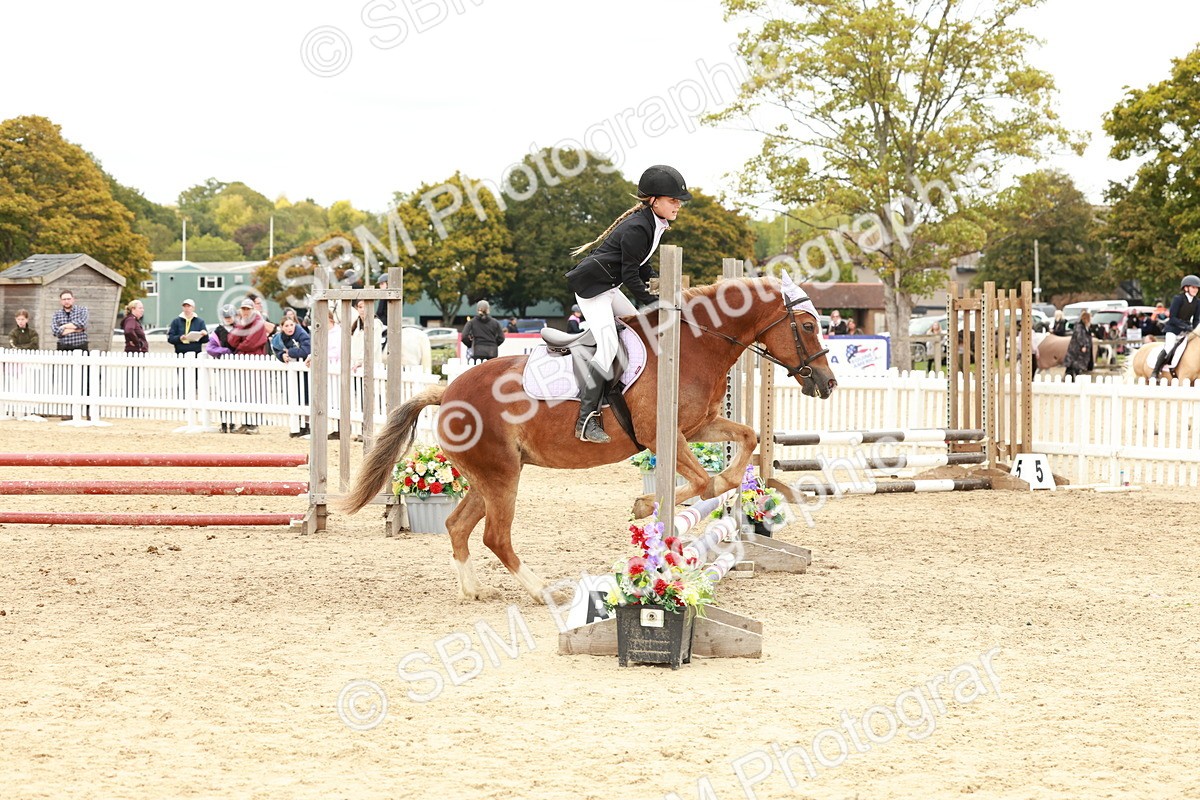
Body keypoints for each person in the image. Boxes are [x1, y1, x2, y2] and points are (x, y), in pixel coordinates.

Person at [565, 164, 691, 443]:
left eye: (678, 201)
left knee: (639, 329)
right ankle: (587, 419)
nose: (678, 206)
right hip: (593, 290)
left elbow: (643, 268)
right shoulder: (637, 227)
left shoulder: (653, 224)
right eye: (673, 200)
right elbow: (630, 274)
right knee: (608, 346)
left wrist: (662, 288)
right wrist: (653, 301)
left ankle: (628, 390)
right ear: (653, 200)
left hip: (610, 287)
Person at [226, 299, 269, 433]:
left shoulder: (258, 323)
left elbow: (251, 342)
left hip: (254, 358)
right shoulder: (242, 323)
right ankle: (246, 422)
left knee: (254, 392)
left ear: (252, 309)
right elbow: (231, 339)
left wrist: (239, 345)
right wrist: (240, 327)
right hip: (243, 359)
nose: (245, 312)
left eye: (248, 309)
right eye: (243, 309)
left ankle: (253, 423)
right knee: (243, 392)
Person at [1153, 275, 1200, 379]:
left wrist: (1195, 330)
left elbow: (1196, 319)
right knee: (1169, 346)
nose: (1195, 290)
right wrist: (1185, 326)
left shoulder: (1197, 302)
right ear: (1186, 288)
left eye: (1197, 288)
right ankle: (1155, 371)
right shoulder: (1178, 299)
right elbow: (1172, 317)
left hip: (1187, 330)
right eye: (1193, 287)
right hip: (1173, 329)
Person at [205, 304, 239, 432]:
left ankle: (233, 423)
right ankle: (224, 423)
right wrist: (224, 351)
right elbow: (210, 348)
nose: (228, 319)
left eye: (230, 316)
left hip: (237, 368)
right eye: (226, 317)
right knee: (223, 396)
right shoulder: (218, 331)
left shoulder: (239, 329)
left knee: (235, 396)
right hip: (223, 368)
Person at [1063, 310, 1094, 379]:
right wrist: (1083, 345)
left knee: (1072, 367)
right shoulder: (1079, 327)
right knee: (1074, 366)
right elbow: (1080, 337)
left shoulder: (1085, 327)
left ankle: (1070, 378)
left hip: (1078, 352)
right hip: (1076, 351)